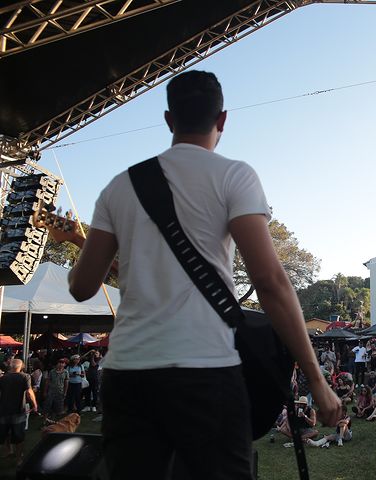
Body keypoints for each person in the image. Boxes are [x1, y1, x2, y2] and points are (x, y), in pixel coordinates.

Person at [67, 70, 341, 479]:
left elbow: (81, 286)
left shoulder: (119, 187)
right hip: (206, 371)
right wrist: (316, 379)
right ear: (222, 120)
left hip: (128, 375)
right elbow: (269, 281)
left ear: (168, 120)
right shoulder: (234, 175)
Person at [0, 359, 37, 466]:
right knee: (19, 436)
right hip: (18, 411)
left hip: (3, 411)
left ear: (10, 366)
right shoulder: (25, 376)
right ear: (21, 367)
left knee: (5, 433)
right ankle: (19, 458)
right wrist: (35, 405)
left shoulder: (3, 378)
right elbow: (29, 392)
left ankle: (9, 451)